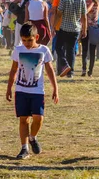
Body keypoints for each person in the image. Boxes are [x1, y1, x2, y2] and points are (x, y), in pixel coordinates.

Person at [6, 23, 59, 159]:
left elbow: (49, 70)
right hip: (21, 90)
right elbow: (13, 70)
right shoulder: (18, 50)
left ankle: (32, 137)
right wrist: (9, 88)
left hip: (37, 91)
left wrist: (55, 88)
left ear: (36, 37)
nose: (27, 43)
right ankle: (24, 148)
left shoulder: (44, 50)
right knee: (23, 119)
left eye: (30, 40)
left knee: (38, 117)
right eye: (24, 40)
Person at [52, 0, 86, 78]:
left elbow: (59, 13)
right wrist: (84, 30)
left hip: (64, 27)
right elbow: (84, 16)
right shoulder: (81, 0)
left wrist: (54, 25)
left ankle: (64, 63)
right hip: (75, 28)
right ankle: (70, 72)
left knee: (58, 47)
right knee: (71, 50)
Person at [80, 0, 99, 77]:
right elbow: (97, 16)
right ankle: (90, 71)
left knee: (84, 49)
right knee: (92, 51)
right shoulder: (98, 2)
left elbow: (85, 11)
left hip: (87, 27)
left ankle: (84, 69)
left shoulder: (89, 1)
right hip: (94, 27)